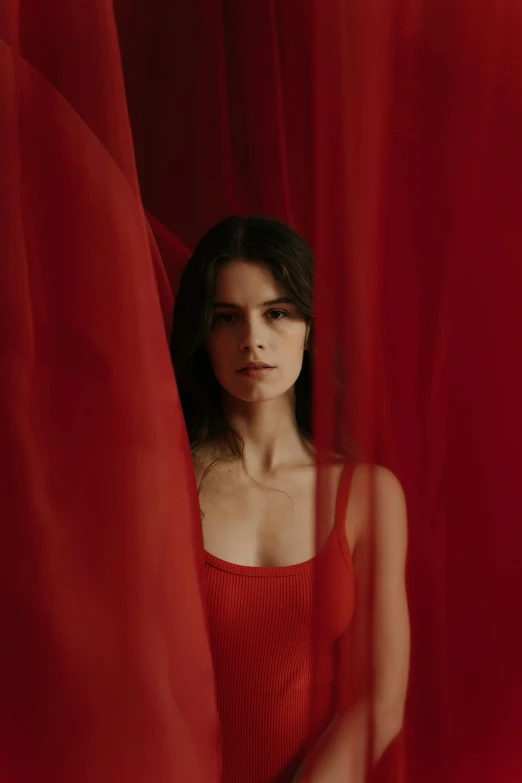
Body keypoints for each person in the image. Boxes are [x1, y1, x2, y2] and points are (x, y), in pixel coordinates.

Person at [171, 216, 410, 783]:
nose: (252, 338)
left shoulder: (368, 495)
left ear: (311, 326)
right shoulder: (163, 480)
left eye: (277, 312)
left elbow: (380, 701)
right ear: (201, 334)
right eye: (226, 317)